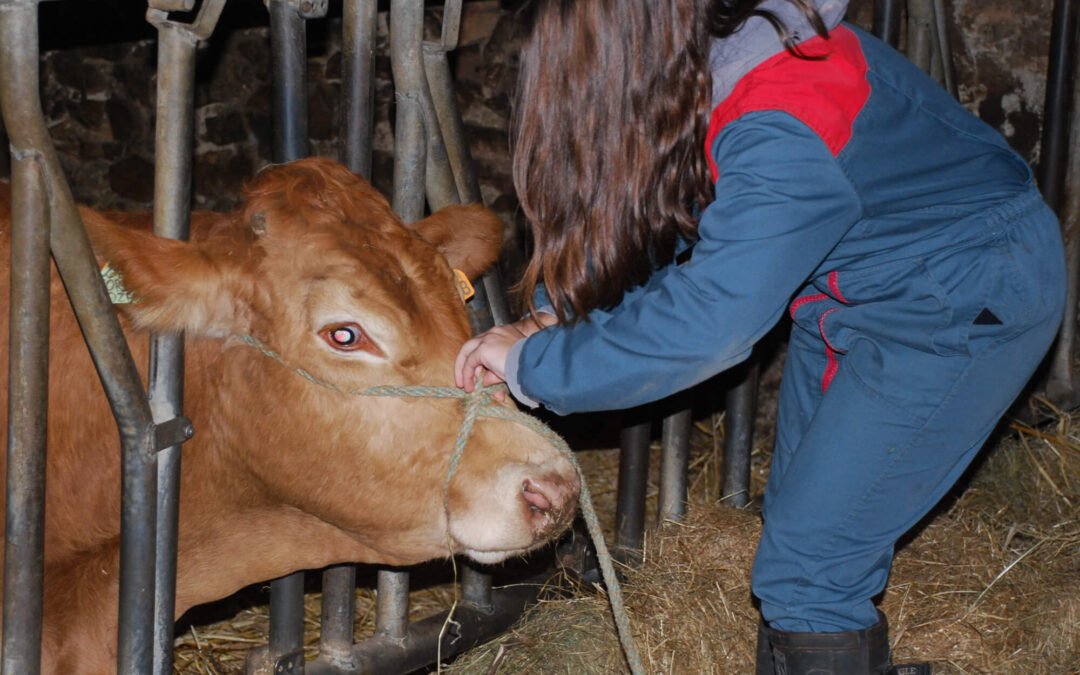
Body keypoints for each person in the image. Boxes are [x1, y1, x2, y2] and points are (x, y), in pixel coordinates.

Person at [454, 0, 1066, 672]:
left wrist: (539, 365)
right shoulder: (717, 62)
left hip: (961, 299)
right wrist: (554, 316)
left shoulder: (777, 114)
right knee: (800, 520)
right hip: (863, 292)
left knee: (811, 560)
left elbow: (712, 318)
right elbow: (674, 212)